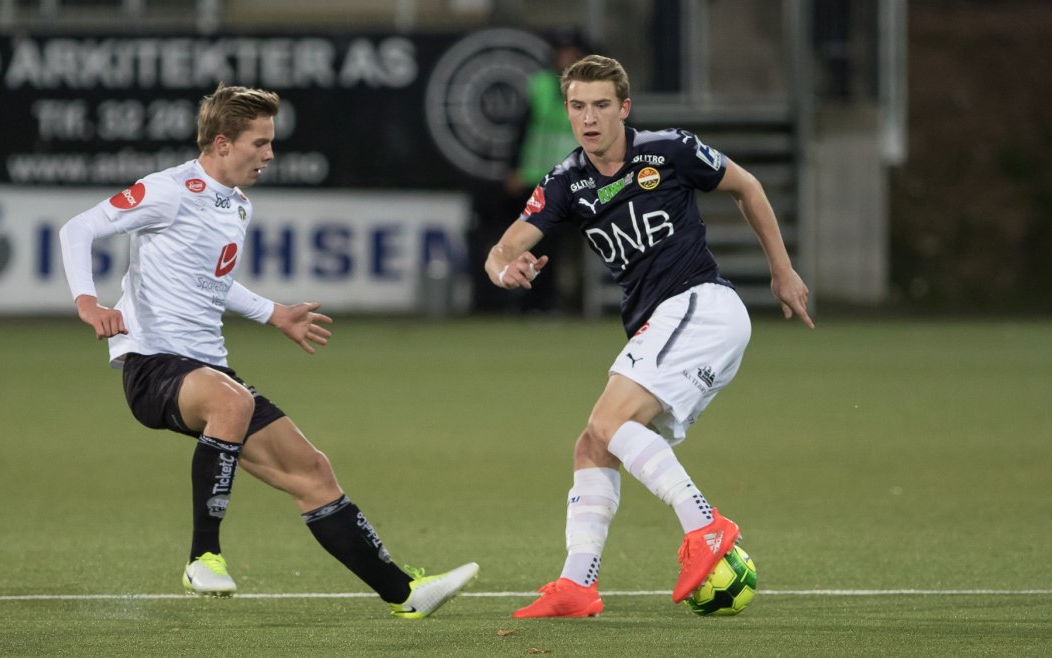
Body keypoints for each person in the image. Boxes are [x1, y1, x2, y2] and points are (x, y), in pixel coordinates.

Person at [58, 83, 478, 618]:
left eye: (270, 142)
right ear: (222, 143)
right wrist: (87, 301)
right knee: (232, 403)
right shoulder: (169, 189)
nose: (270, 153)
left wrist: (272, 312)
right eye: (259, 142)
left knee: (312, 472)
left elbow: (211, 282)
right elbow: (79, 228)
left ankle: (404, 593)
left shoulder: (237, 205)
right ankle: (202, 556)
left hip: (208, 368)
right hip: (152, 365)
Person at [485, 55, 813, 618]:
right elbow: (503, 248)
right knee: (594, 443)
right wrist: (504, 271)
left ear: (625, 108)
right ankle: (577, 584)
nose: (589, 118)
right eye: (577, 106)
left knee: (608, 423)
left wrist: (782, 271)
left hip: (700, 305)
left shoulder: (668, 150)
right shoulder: (567, 181)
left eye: (601, 105)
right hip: (665, 324)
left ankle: (706, 526)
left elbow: (748, 186)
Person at [500, 26, 590, 314]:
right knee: (539, 243)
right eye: (562, 53)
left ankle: (572, 300)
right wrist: (514, 168)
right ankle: (536, 301)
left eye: (571, 53)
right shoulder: (539, 85)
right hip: (538, 176)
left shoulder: (595, 87)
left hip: (580, 179)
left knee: (573, 244)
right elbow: (521, 130)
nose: (566, 58)